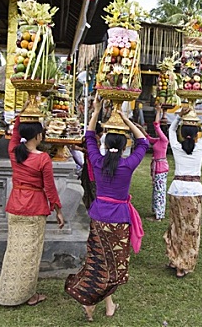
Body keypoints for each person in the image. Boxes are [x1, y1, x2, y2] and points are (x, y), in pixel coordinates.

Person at [65, 96, 148, 322]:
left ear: (105, 143)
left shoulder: (98, 160)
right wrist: (127, 121)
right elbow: (144, 143)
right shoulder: (127, 165)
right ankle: (90, 300)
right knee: (114, 267)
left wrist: (96, 111)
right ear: (123, 146)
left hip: (99, 216)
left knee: (97, 262)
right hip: (119, 220)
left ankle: (104, 304)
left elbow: (89, 136)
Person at [0, 109, 65, 307]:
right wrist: (58, 210)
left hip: (15, 207)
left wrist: (20, 116)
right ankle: (27, 295)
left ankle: (6, 291)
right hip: (34, 208)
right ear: (38, 135)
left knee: (14, 251)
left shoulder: (15, 152)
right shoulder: (42, 158)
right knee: (30, 254)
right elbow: (49, 188)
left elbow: (15, 135)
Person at [164, 93, 202, 278]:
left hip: (177, 190)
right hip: (193, 191)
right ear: (196, 134)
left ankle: (176, 259)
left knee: (176, 227)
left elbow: (170, 131)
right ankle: (182, 264)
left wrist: (178, 116)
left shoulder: (177, 146)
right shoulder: (200, 147)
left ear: (182, 132)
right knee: (191, 230)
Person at [135, 103, 169, 222]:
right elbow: (148, 137)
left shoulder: (164, 140)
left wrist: (158, 112)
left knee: (159, 191)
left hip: (161, 167)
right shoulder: (158, 141)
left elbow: (156, 125)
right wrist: (139, 128)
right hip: (157, 167)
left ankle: (159, 215)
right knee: (156, 190)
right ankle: (156, 212)